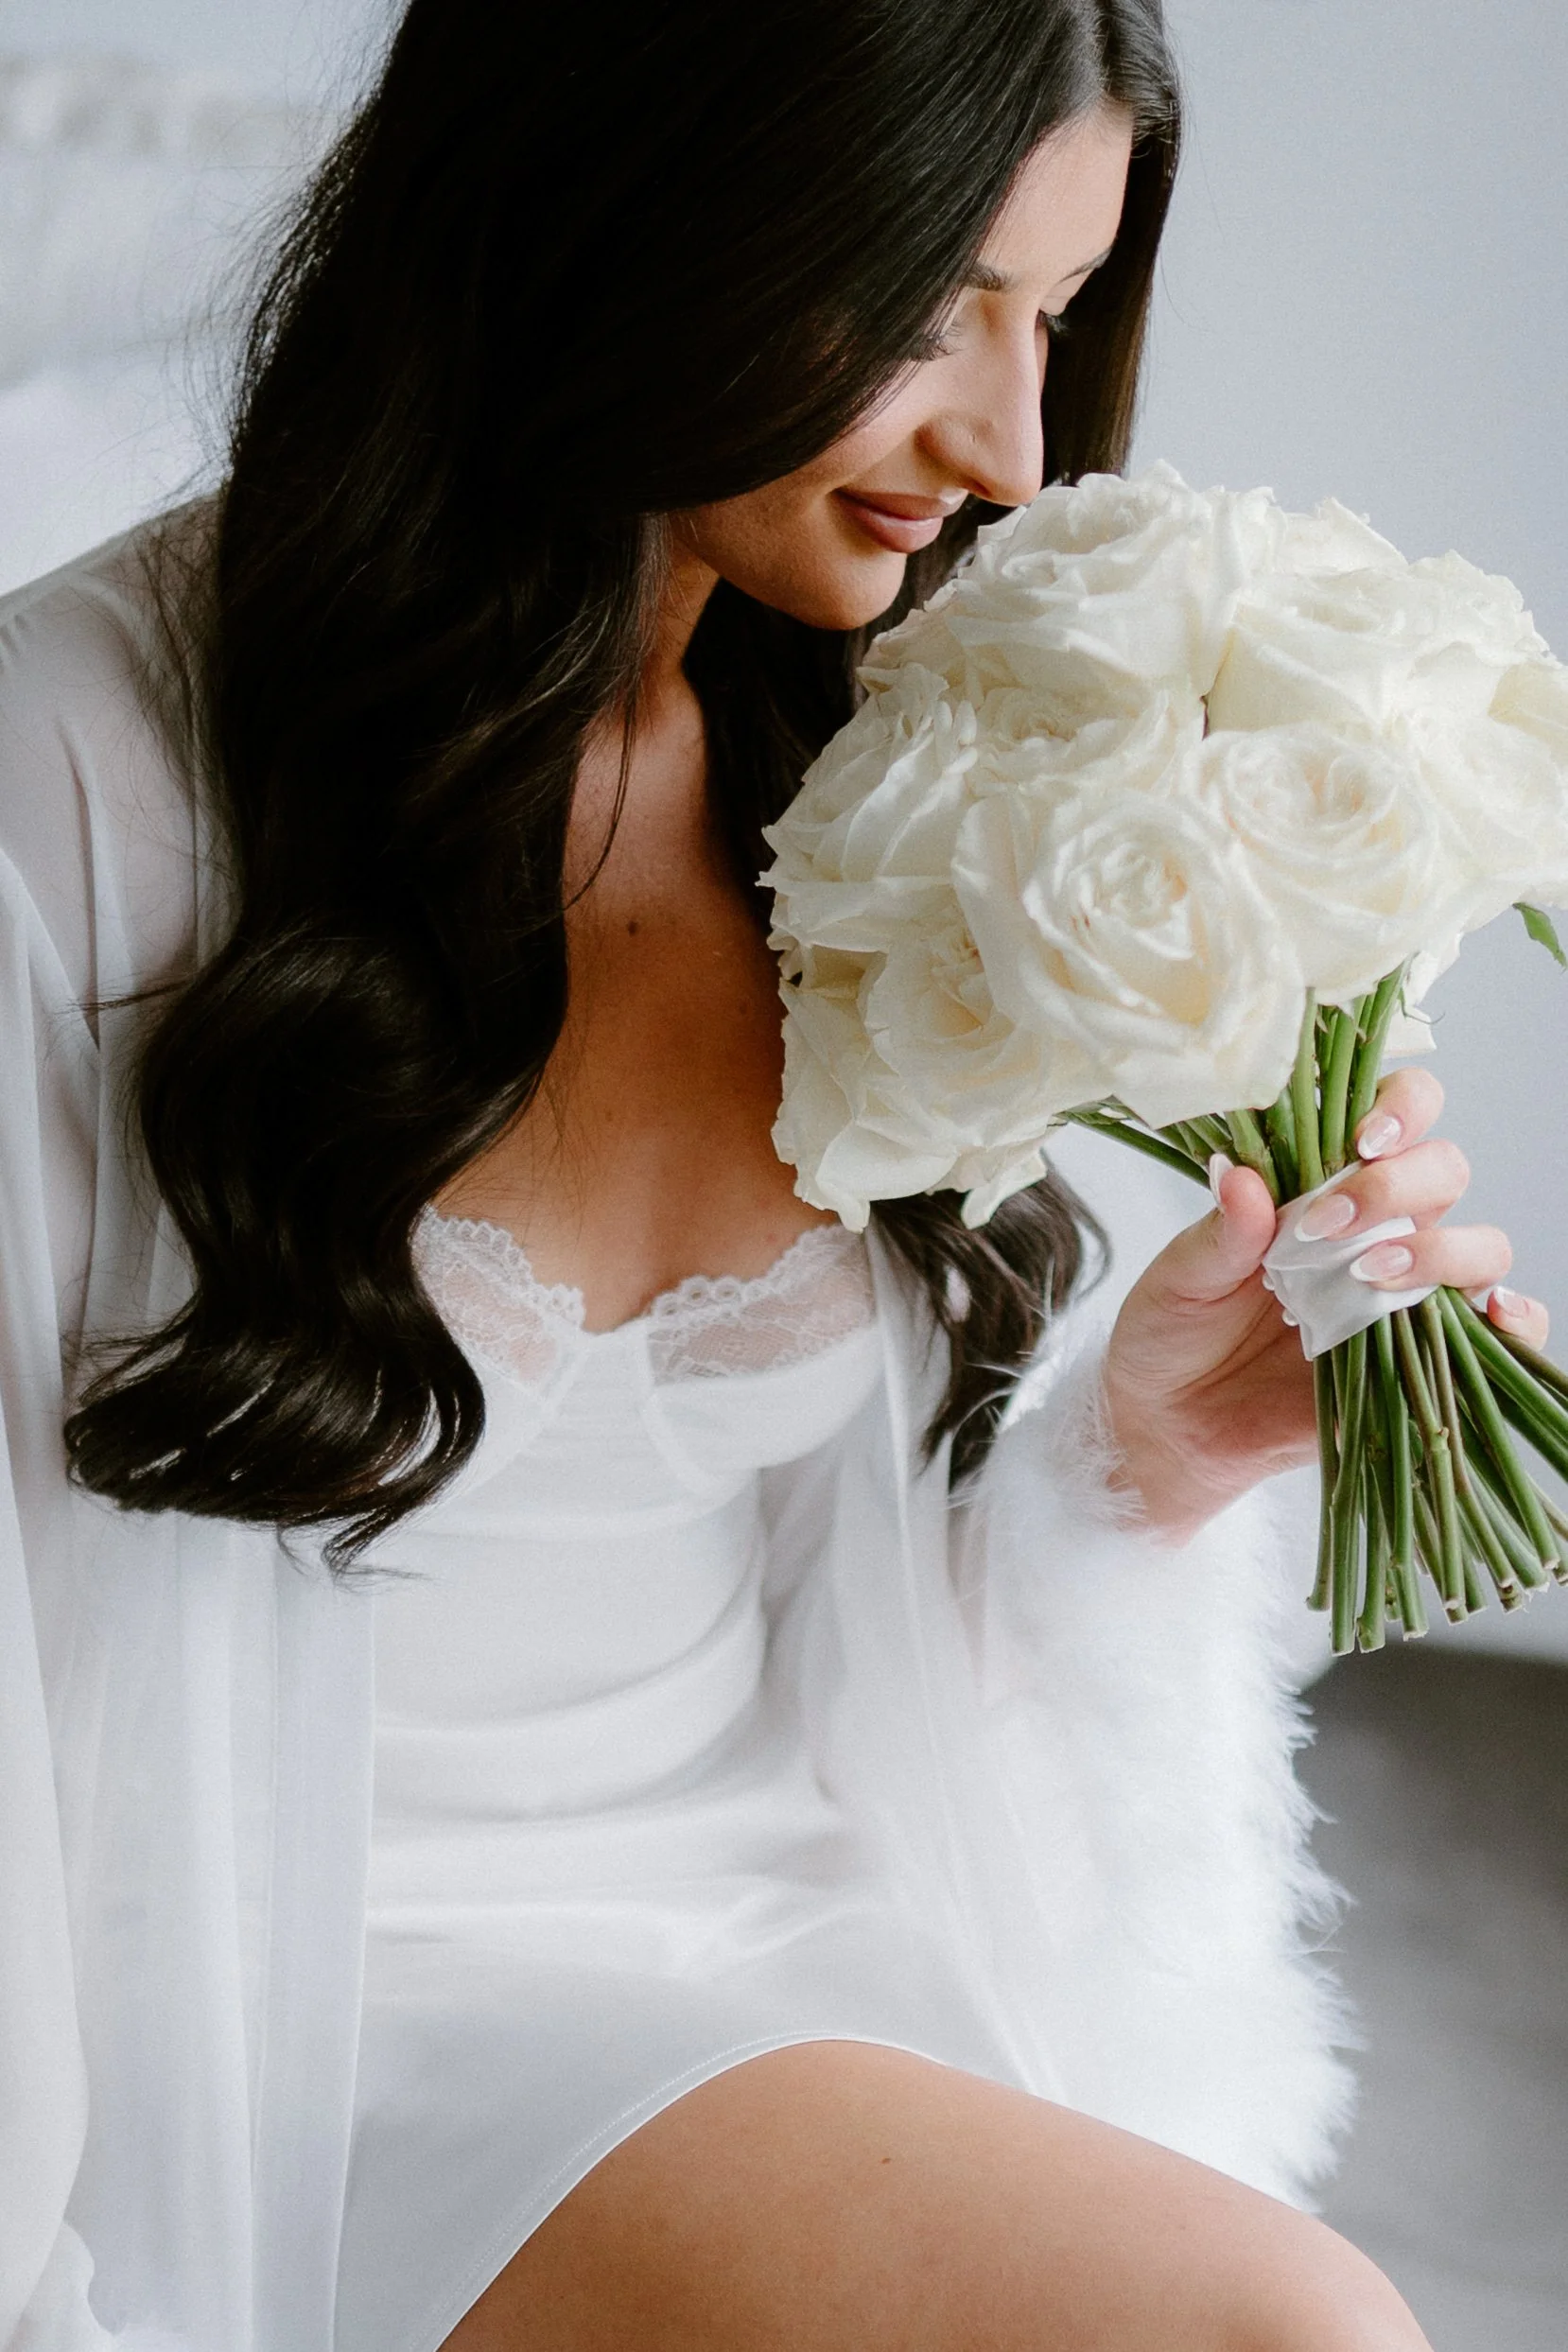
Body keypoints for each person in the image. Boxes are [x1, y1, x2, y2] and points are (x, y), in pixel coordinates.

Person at [0, 1, 1542, 2345]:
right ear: (650, 218)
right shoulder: (75, 789)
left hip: (823, 1936)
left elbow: (837, 1598)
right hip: (307, 2005)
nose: (1013, 445)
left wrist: (1134, 1458)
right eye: (937, 304)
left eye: (1057, 313)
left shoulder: (902, 771)